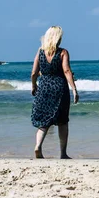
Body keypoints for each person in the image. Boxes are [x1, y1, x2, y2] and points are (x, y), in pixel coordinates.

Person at [31, 26, 79, 159]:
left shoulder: (40, 51)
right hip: (59, 89)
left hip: (44, 88)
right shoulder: (63, 52)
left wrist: (34, 86)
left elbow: (34, 72)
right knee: (62, 121)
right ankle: (63, 153)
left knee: (44, 120)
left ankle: (38, 146)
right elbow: (67, 71)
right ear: (58, 37)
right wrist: (74, 89)